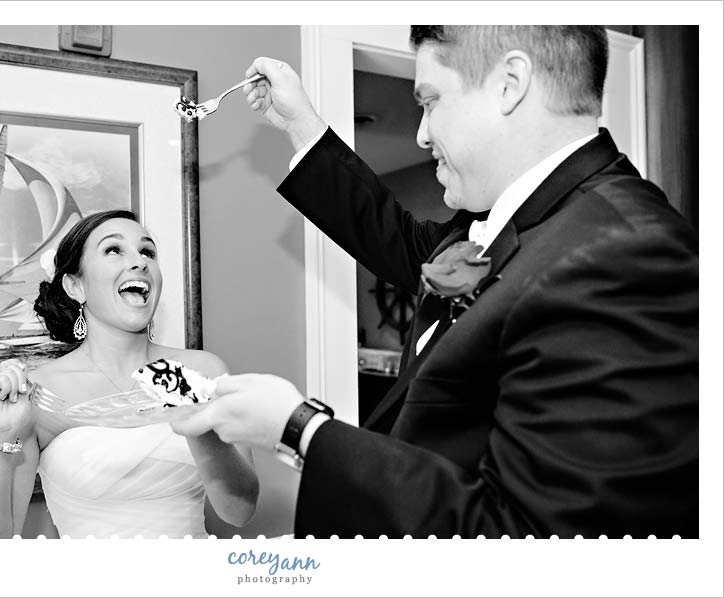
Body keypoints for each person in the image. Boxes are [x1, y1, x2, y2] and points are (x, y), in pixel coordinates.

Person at [172, 26, 699, 538]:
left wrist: (299, 429)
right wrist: (301, 123)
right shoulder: (514, 223)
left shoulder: (623, 254)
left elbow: (537, 539)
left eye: (429, 101)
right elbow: (396, 239)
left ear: (509, 85)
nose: (421, 133)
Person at [0, 210, 258, 538]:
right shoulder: (38, 392)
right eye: (114, 250)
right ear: (75, 286)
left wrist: (199, 428)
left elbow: (239, 511)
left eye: (148, 252)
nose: (140, 262)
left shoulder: (205, 371)